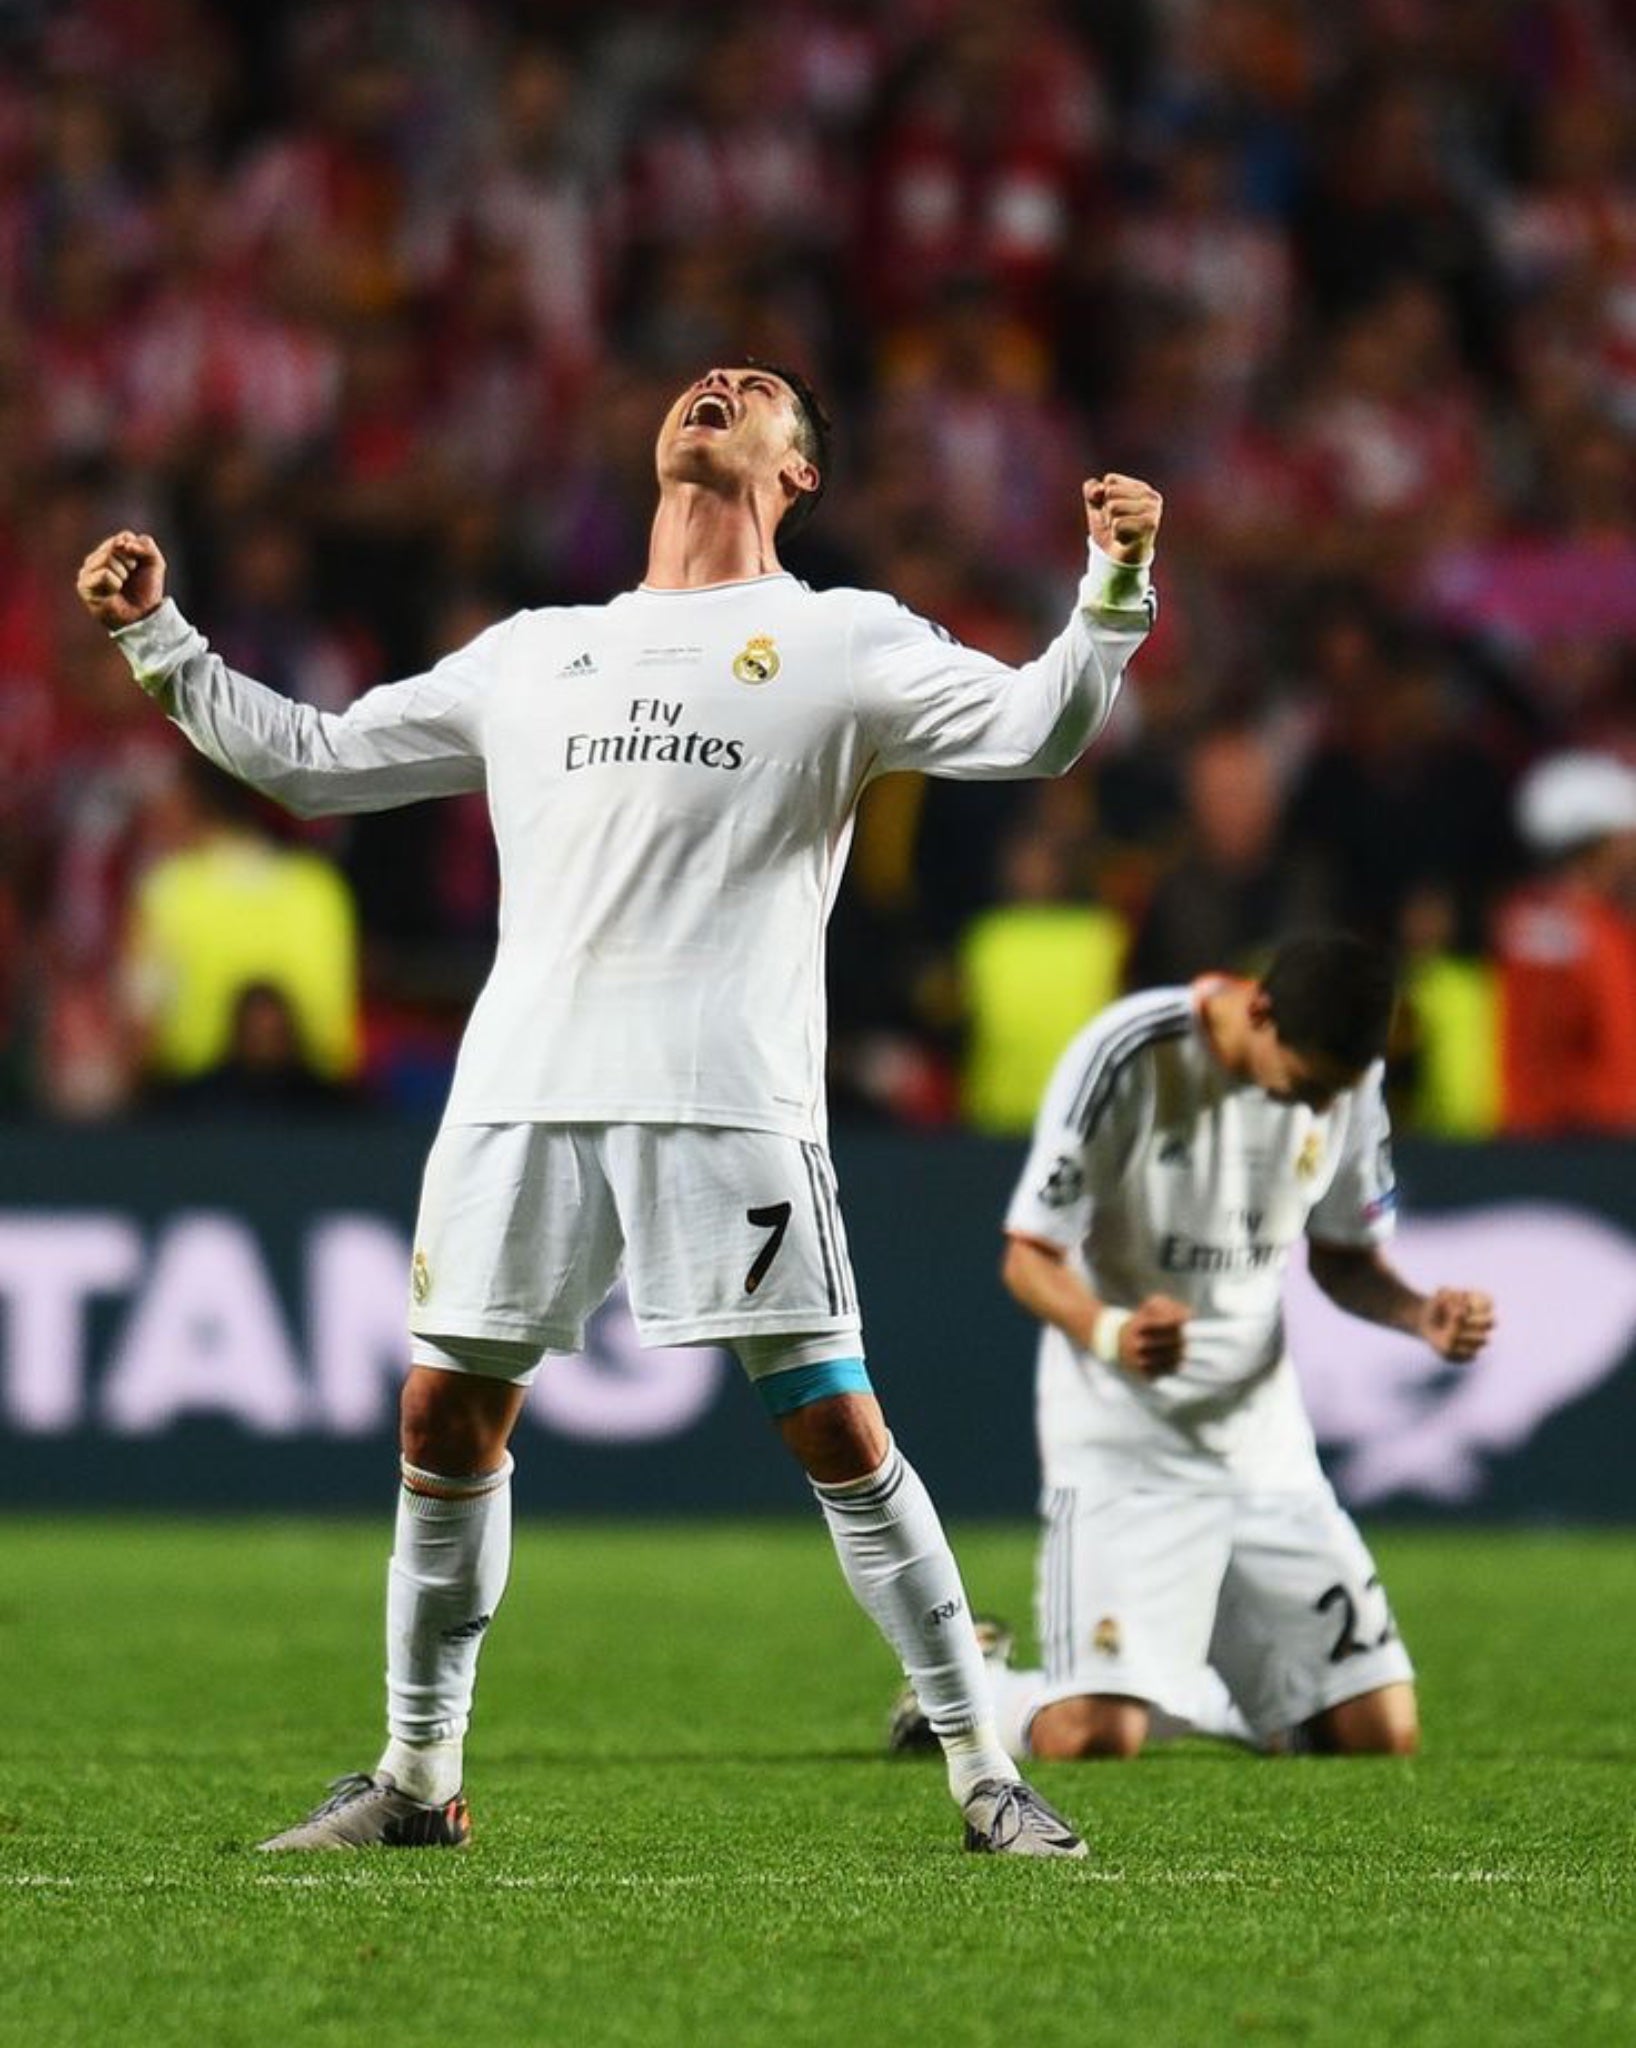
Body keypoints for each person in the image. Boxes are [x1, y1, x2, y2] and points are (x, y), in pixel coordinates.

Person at [77, 361, 1162, 1857]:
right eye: (704, 379)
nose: (716, 385)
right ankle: (416, 1777)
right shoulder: (538, 651)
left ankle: (986, 1771)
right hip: (520, 1087)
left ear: (798, 471)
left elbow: (1037, 729)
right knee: (444, 1410)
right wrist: (159, 638)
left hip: (724, 1091)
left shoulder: (841, 638)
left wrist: (1113, 584)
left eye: (757, 389)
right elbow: (316, 766)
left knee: (836, 1425)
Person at [890, 933, 1494, 1762]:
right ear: (1261, 1010)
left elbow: (1345, 1258)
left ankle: (1191, 1689)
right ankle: (975, 1691)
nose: (1321, 1109)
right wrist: (1113, 1331)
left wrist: (1420, 1314)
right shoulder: (1131, 1056)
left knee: (1378, 1735)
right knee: (1093, 1737)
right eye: (1311, 1086)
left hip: (1262, 1445)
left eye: (1338, 1093)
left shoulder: (1348, 1082)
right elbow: (1028, 1258)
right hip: (1126, 1440)